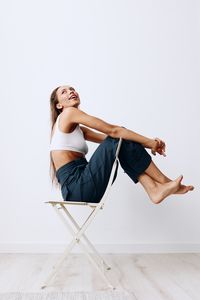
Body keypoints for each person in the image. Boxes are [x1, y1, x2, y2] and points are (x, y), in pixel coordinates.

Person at [49, 85, 194, 205]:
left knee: (120, 139)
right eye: (64, 92)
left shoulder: (77, 129)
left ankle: (155, 189)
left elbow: (120, 139)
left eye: (72, 89)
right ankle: (164, 182)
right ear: (59, 105)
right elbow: (114, 131)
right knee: (117, 136)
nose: (71, 92)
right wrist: (151, 143)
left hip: (81, 188)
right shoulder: (68, 114)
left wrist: (149, 143)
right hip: (78, 187)